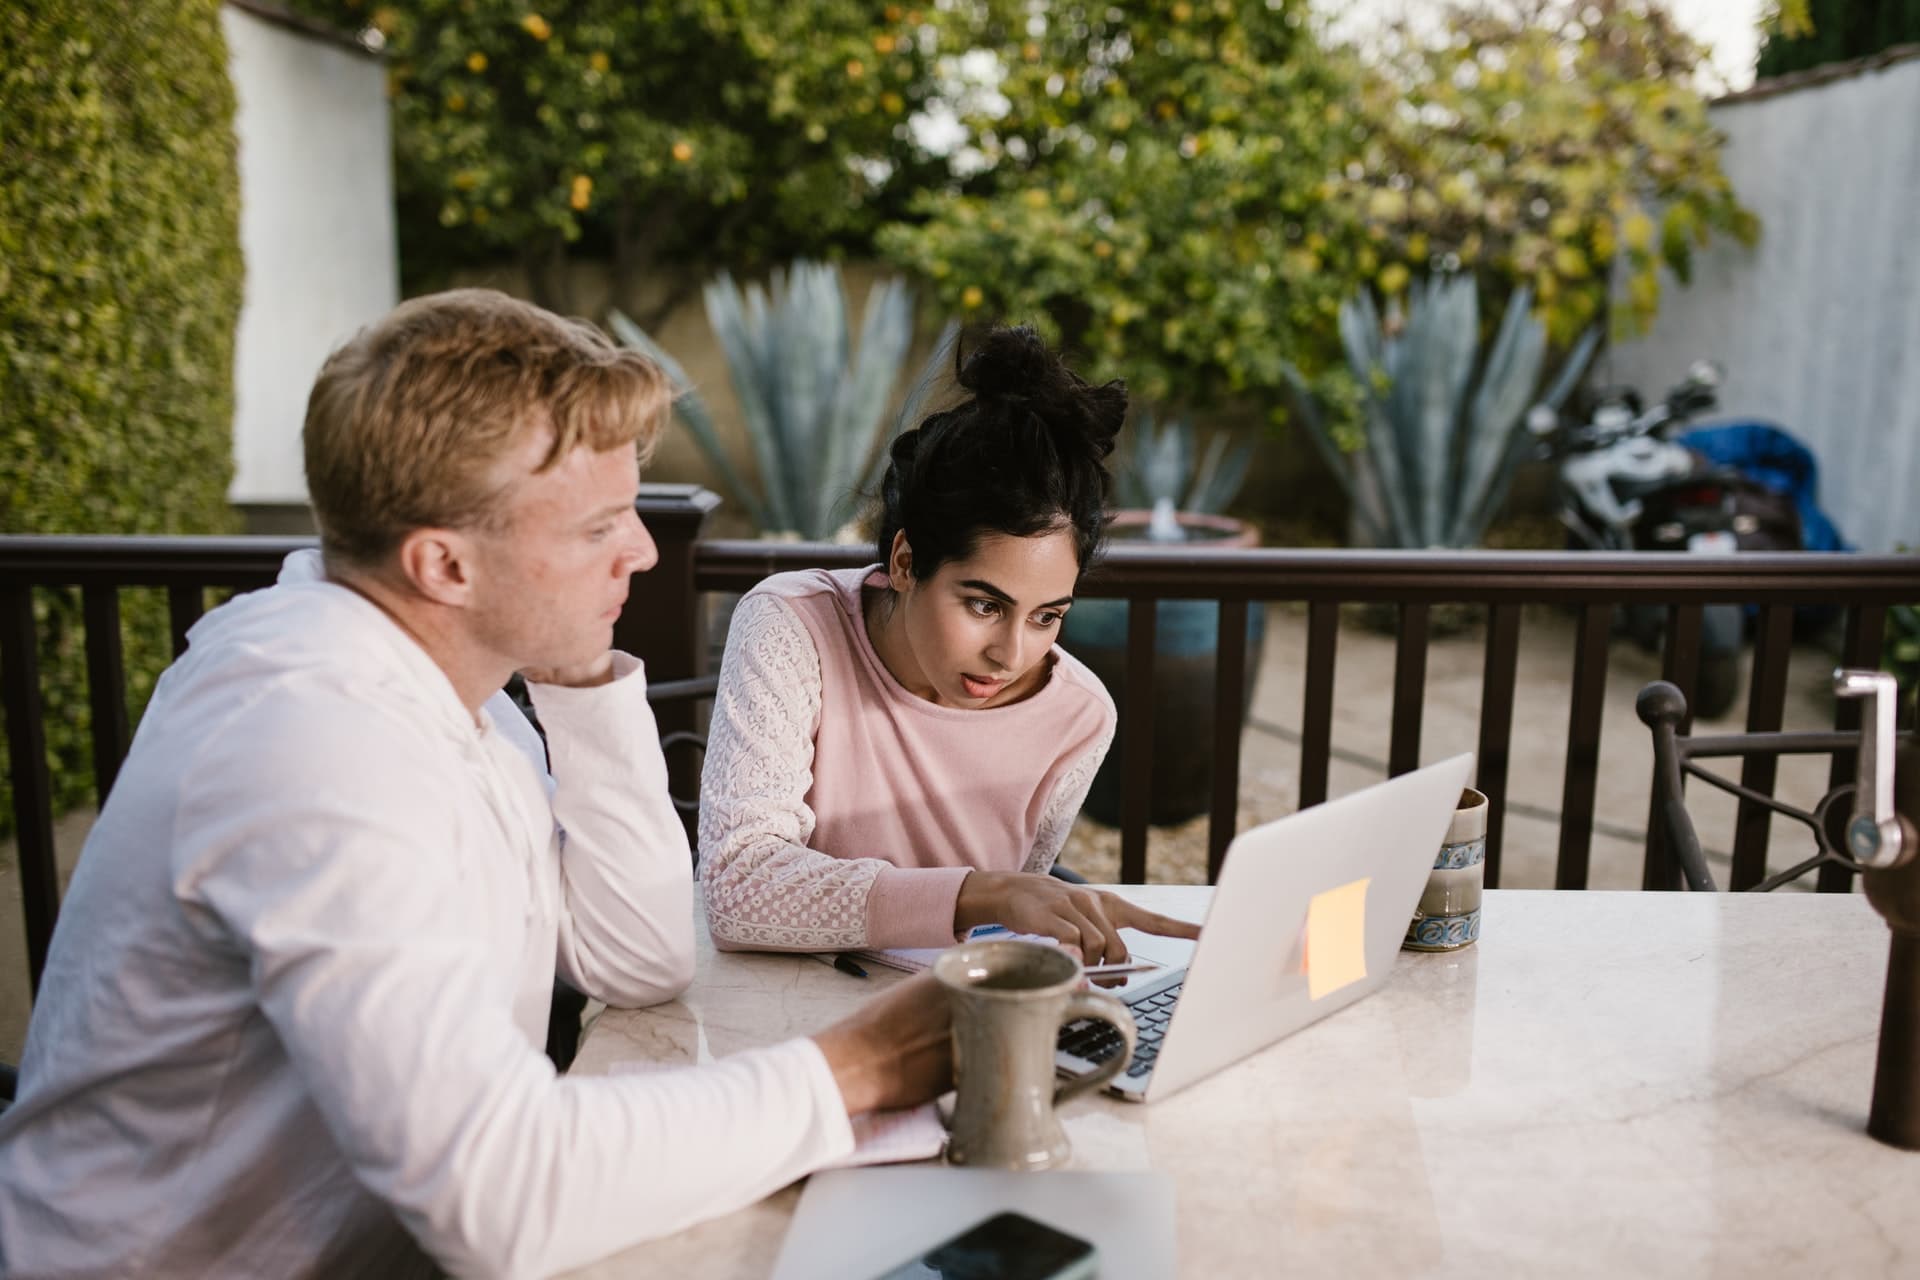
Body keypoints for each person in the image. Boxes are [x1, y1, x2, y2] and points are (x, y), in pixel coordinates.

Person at [0, 290, 949, 1279]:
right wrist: (858, 1068)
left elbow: (638, 957)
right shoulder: (308, 737)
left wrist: (577, 673)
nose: (643, 550)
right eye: (598, 527)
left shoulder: (463, 692)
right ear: (444, 563)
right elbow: (495, 1192)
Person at [700, 326, 1200, 964]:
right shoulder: (792, 629)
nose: (1011, 654)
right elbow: (737, 889)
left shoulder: (1079, 717)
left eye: (1047, 616)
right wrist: (979, 894)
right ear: (906, 561)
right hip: (786, 1016)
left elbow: (1003, 925)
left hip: (955, 1015)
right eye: (984, 605)